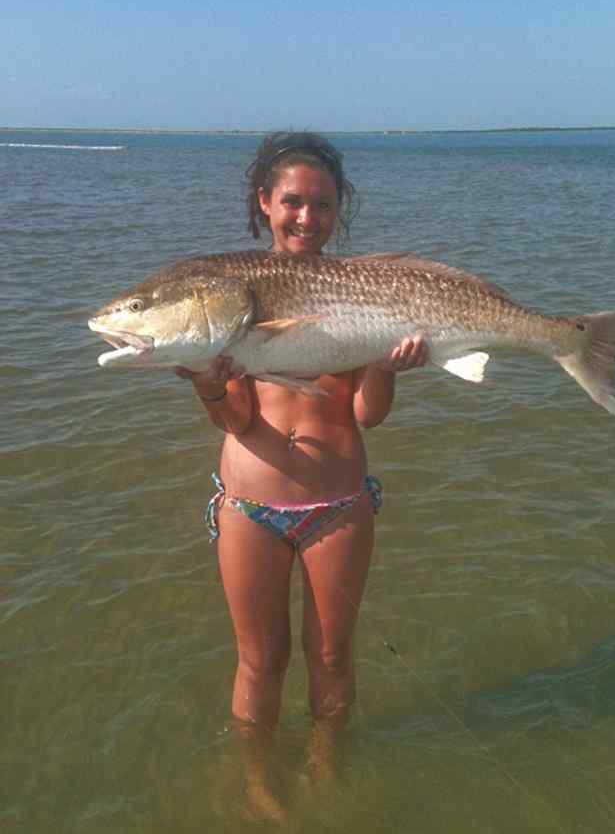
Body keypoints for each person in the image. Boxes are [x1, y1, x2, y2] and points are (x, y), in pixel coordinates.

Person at [177, 132, 427, 817]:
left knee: (333, 655)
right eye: (293, 201)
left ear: (338, 209)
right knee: (260, 661)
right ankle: (259, 780)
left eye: (322, 204)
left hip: (338, 505)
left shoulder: (361, 289)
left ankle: (325, 768)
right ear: (265, 201)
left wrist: (386, 361)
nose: (307, 217)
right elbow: (236, 419)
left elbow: (368, 415)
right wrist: (206, 382)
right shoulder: (234, 288)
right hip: (249, 508)